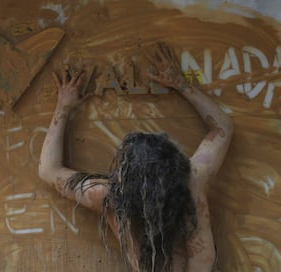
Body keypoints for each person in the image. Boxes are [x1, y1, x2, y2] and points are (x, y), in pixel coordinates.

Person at [38, 43, 233, 272]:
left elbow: (48, 170)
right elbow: (223, 128)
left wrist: (63, 106)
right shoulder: (190, 180)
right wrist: (181, 84)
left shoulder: (111, 197)